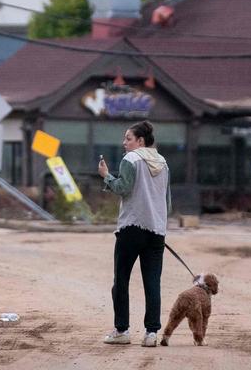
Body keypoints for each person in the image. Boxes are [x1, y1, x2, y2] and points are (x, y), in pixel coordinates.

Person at [97, 120, 172, 347]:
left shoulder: (131, 159)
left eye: (128, 138)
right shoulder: (164, 162)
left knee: (121, 280)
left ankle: (122, 330)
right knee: (152, 283)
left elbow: (123, 188)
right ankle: (151, 334)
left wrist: (106, 176)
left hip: (131, 228)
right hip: (157, 231)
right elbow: (167, 201)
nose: (124, 143)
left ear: (140, 141)